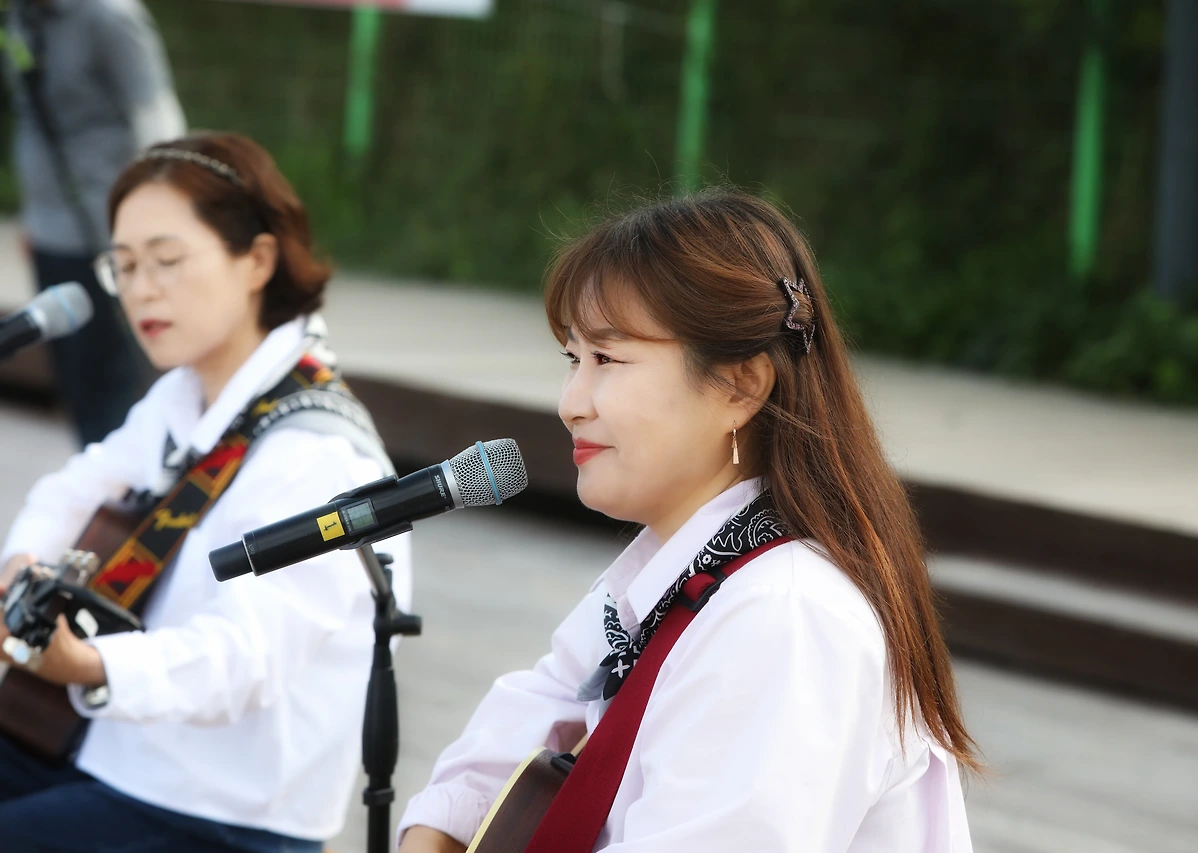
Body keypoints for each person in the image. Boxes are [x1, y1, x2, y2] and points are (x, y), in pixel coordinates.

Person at [398, 189, 977, 853]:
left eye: (607, 359)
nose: (571, 403)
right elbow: (532, 712)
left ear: (740, 386)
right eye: (573, 359)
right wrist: (436, 831)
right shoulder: (692, 563)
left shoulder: (784, 614)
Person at [0, 132, 412, 853]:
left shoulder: (316, 452)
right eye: (124, 265)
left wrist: (93, 665)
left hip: (220, 810)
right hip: (104, 745)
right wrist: (21, 568)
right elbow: (76, 486)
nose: (141, 288)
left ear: (257, 260)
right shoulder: (185, 395)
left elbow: (245, 655)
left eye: (166, 260)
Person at [4, 0, 187, 446]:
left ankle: (130, 474)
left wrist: (160, 219)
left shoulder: (110, 18)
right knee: (74, 375)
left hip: (107, 233)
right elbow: (31, 118)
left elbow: (156, 117)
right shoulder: (20, 18)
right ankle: (95, 468)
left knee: (113, 376)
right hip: (50, 229)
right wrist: (32, 215)